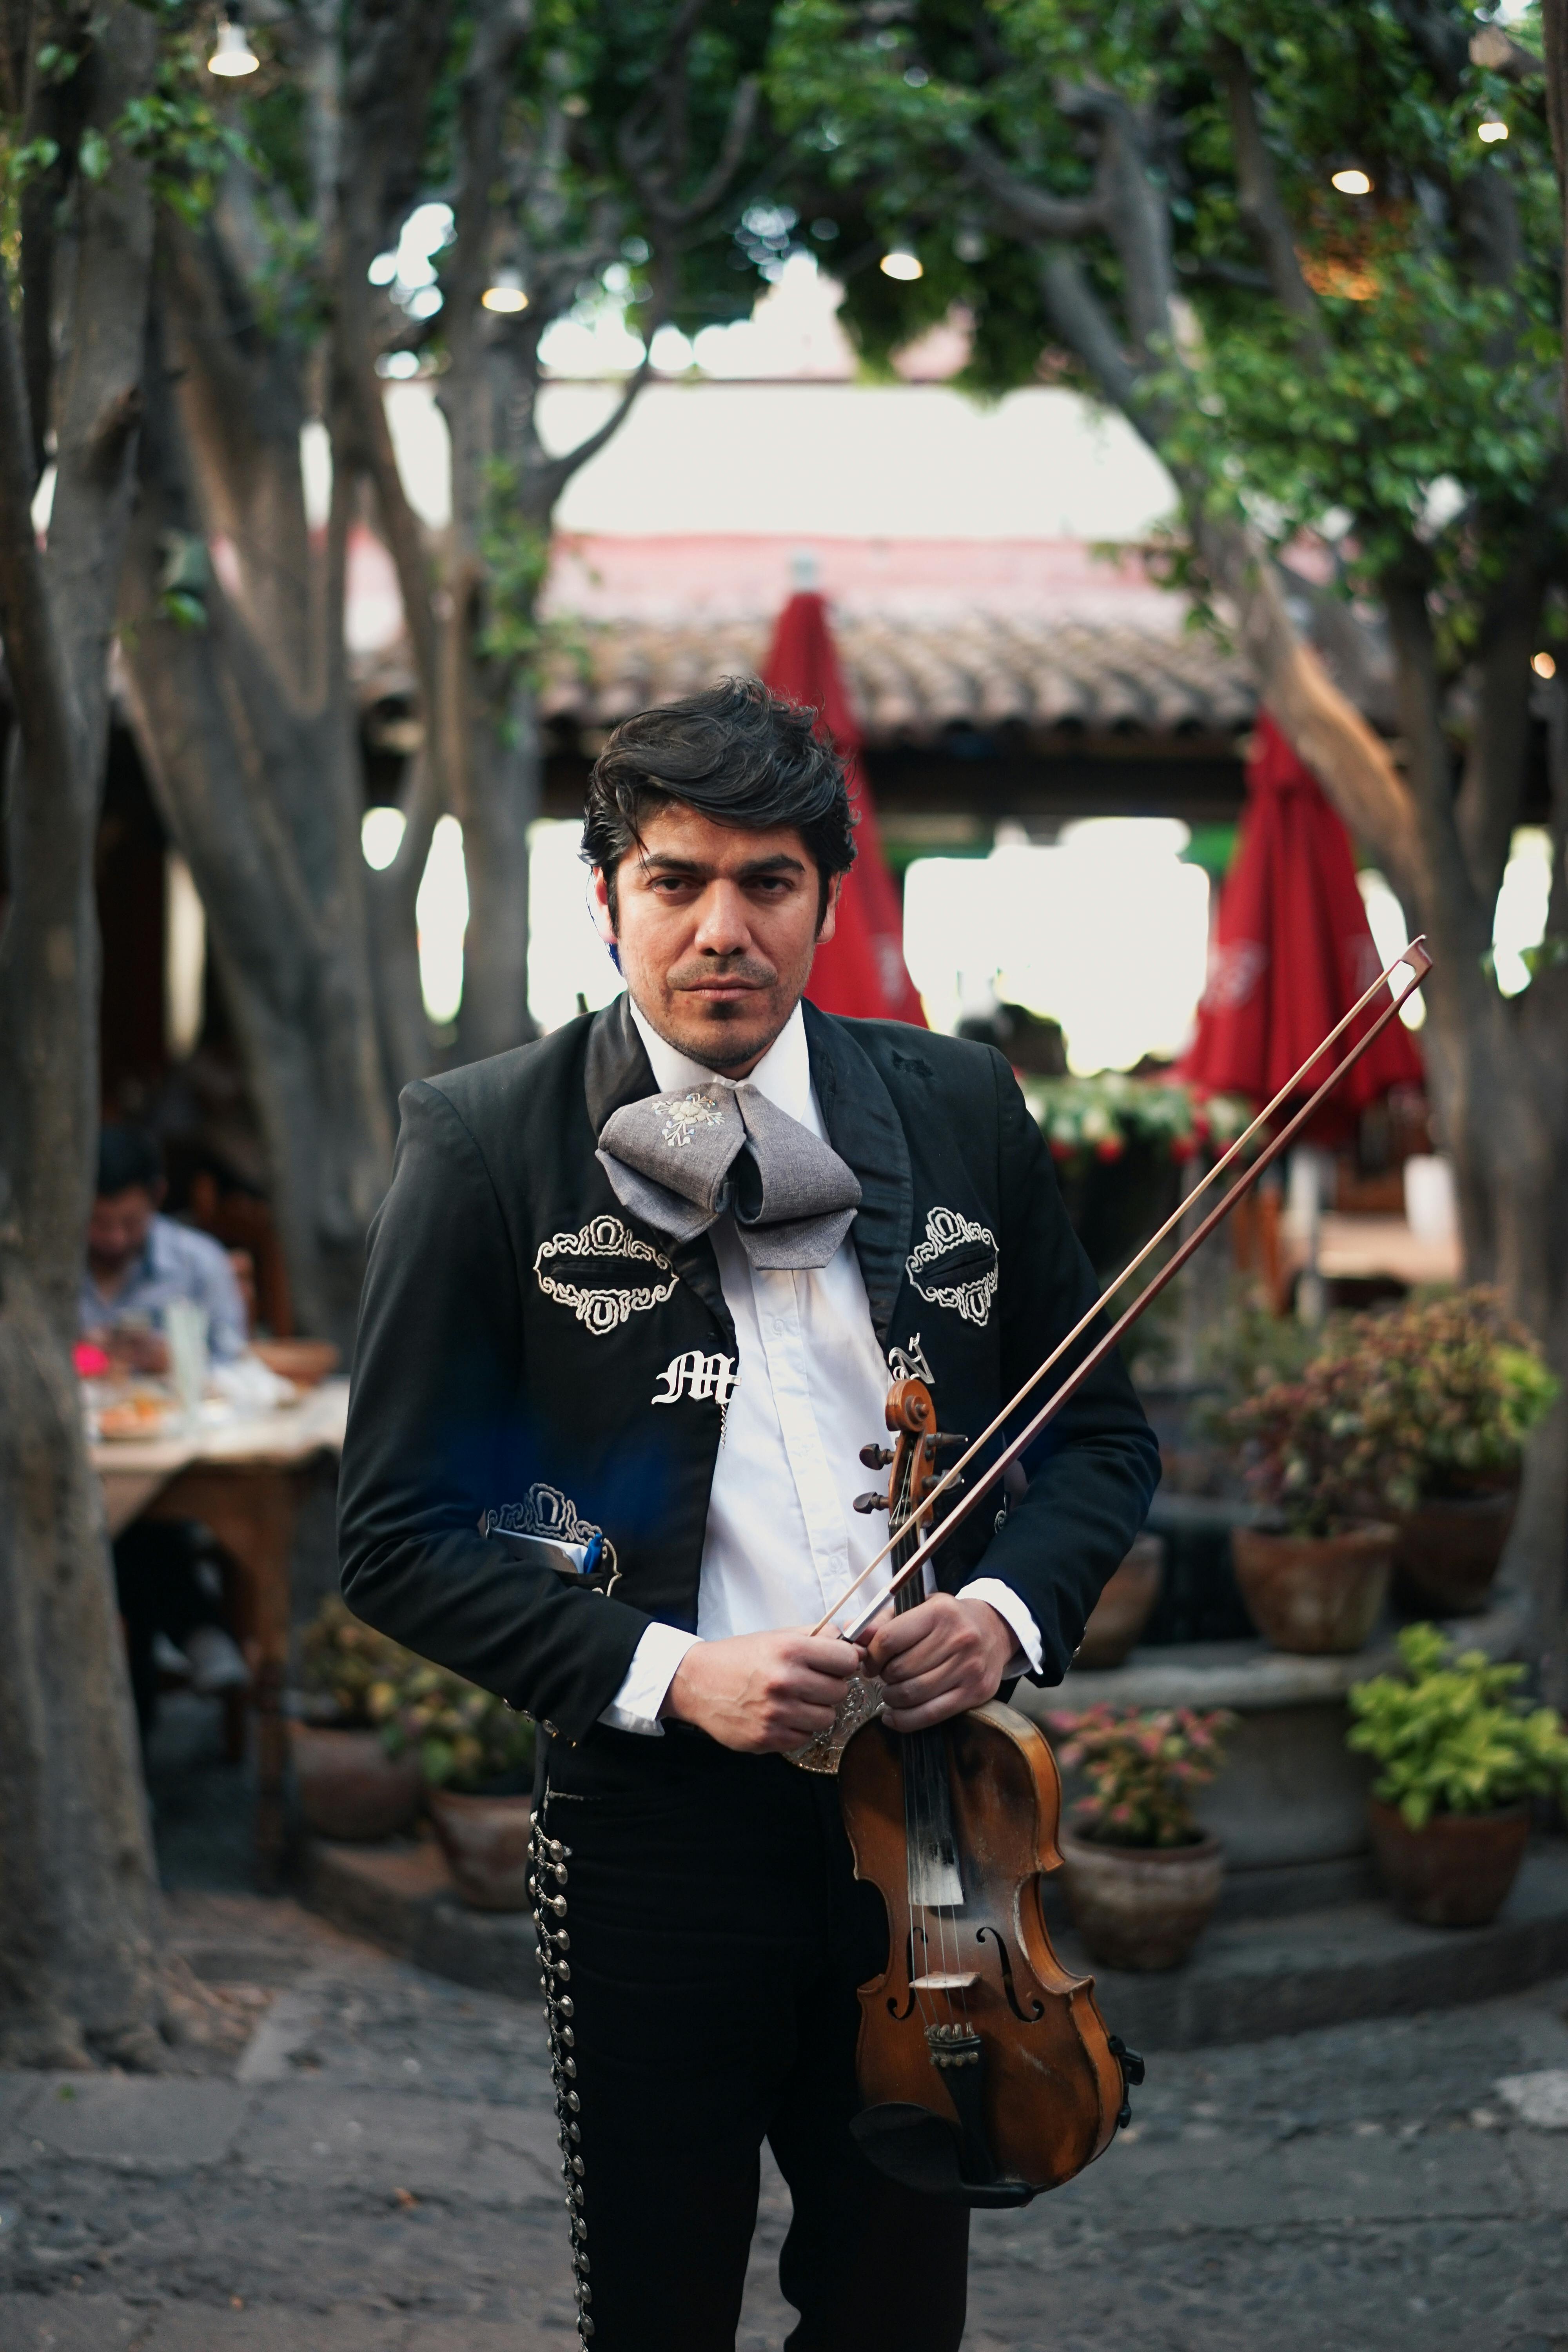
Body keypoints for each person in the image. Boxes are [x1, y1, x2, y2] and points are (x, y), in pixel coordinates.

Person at [338, 679, 1159, 2352]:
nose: (724, 928)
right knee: (660, 2311)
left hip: (930, 1826)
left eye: (768, 881)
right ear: (607, 899)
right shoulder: (484, 1140)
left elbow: (1098, 1439)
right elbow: (399, 1532)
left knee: (896, 2311)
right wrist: (668, 1671)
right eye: (676, 880)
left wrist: (1001, 1615)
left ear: (826, 900)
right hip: (653, 1834)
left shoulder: (957, 1107)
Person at [83, 1124, 250, 1730]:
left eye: (128, 1223)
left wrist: (176, 1361)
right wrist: (85, 1356)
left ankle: (139, 1732)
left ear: (156, 1196)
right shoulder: (42, 1264)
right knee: (119, 1521)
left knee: (131, 1520)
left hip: (169, 1457)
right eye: (99, 1224)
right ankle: (199, 1627)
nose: (113, 1239)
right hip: (79, 1456)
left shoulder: (196, 1262)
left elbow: (241, 1368)